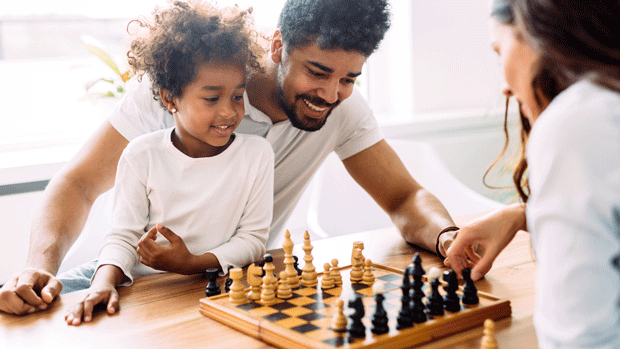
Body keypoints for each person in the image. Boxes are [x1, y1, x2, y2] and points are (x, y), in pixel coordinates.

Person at [0, 0, 458, 316]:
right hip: (125, 276)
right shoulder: (186, 84)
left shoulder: (343, 109)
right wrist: (39, 266)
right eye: (317, 72)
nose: (331, 94)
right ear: (279, 48)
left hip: (224, 283)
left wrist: (447, 236)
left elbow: (404, 196)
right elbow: (78, 183)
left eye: (349, 79)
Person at [61, 0, 274, 325]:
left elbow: (253, 240)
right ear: (169, 99)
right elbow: (123, 237)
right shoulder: (141, 154)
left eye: (237, 95)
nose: (230, 112)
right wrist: (103, 283)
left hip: (205, 288)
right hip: (134, 281)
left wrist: (192, 262)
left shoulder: (256, 154)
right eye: (211, 98)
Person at [446, 0, 620, 347]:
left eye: (500, 51)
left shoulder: (579, 122)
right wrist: (524, 214)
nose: (505, 88)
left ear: (538, 32)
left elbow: (578, 339)